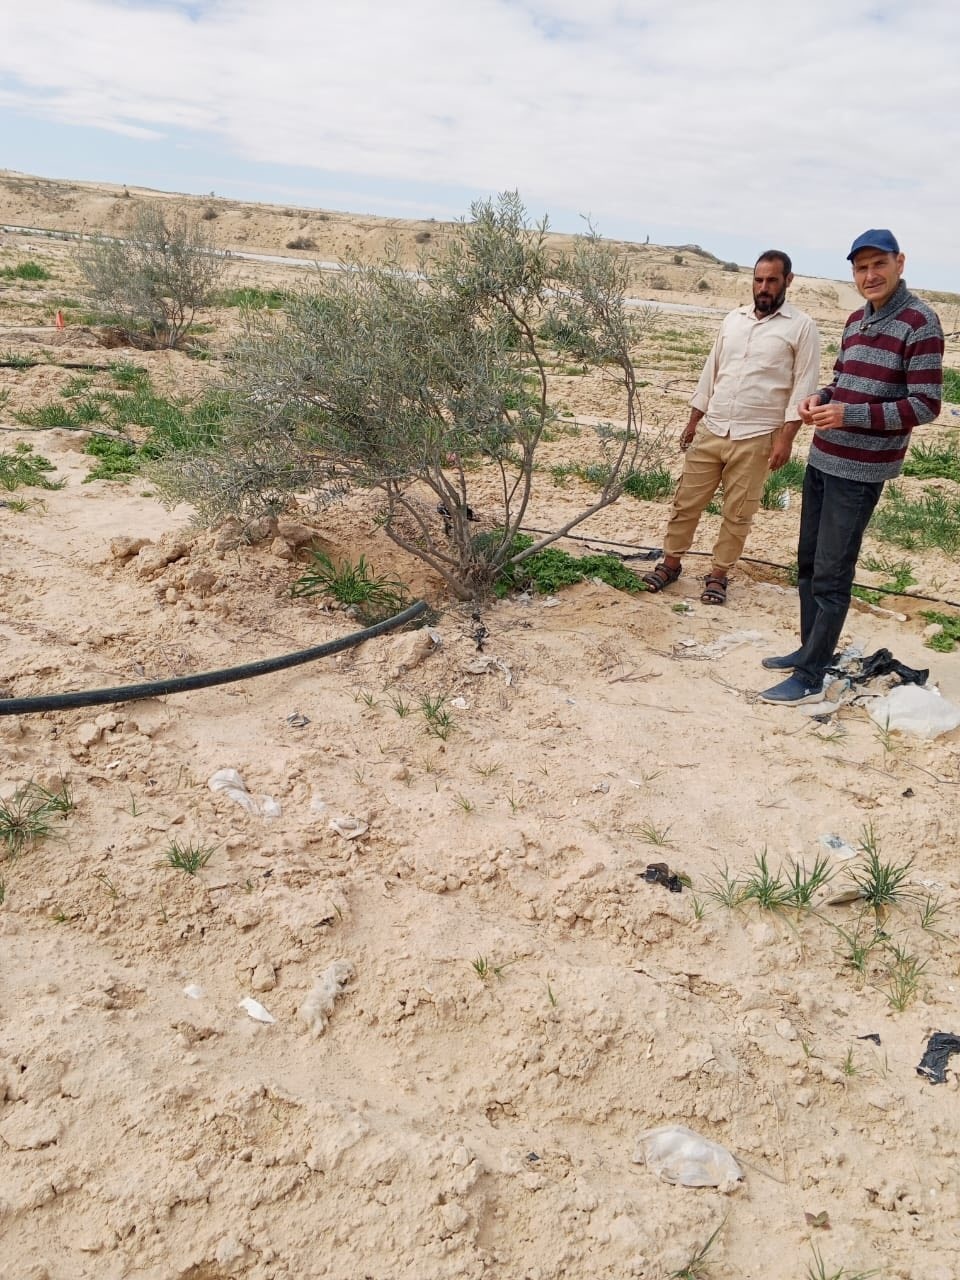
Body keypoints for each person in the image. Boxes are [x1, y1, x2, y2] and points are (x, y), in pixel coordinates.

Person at [760, 229, 944, 704]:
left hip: (861, 470)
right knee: (808, 563)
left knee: (832, 573)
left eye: (878, 264)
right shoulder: (856, 319)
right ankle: (809, 650)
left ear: (900, 263)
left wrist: (850, 415)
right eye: (861, 268)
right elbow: (841, 381)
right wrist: (819, 399)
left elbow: (925, 405)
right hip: (824, 456)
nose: (870, 275)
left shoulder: (920, 322)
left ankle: (811, 676)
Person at [642, 251, 820, 605]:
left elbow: (803, 387)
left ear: (788, 281)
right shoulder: (733, 319)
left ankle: (718, 575)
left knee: (738, 513)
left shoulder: (802, 327)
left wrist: (786, 439)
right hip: (713, 426)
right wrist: (694, 420)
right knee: (685, 502)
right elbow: (711, 371)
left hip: (758, 435)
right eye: (758, 280)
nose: (764, 287)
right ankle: (671, 564)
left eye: (772, 280)